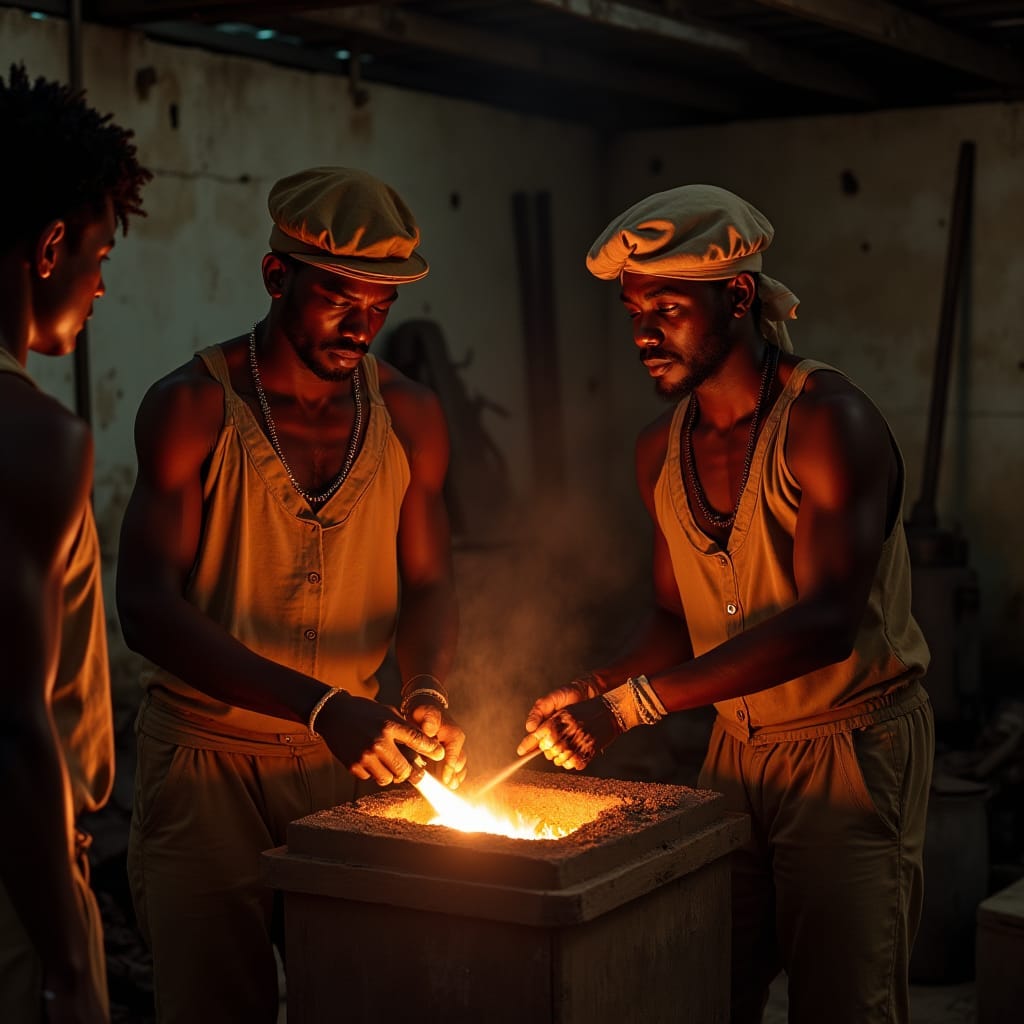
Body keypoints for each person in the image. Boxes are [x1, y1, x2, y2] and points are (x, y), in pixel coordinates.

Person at [518, 184, 934, 1023]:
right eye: (635, 309)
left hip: (848, 750)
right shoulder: (659, 451)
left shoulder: (828, 422)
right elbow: (676, 620)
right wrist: (600, 684)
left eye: (668, 306)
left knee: (843, 1002)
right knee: (706, 985)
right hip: (736, 751)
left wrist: (631, 708)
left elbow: (824, 625)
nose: (643, 332)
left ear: (738, 295)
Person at [116, 165, 466, 1023]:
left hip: (352, 764)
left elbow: (427, 585)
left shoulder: (410, 415)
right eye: (340, 297)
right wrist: (320, 708)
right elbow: (147, 608)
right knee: (212, 1004)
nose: (363, 325)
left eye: (381, 306)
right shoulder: (193, 407)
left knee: (358, 993)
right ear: (278, 278)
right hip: (206, 767)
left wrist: (421, 690)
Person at [0, 64, 150, 1024]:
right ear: (51, 245)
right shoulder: (34, 437)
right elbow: (9, 724)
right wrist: (63, 960)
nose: (98, 288)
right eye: (98, 257)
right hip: (15, 883)